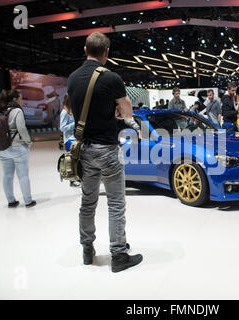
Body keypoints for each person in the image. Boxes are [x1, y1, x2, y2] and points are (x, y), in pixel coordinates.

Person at [67, 31, 142, 272]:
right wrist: (117, 112)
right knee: (115, 203)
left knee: (87, 203)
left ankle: (87, 250)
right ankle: (118, 254)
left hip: (84, 150)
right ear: (106, 53)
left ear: (85, 49)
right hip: (108, 149)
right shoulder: (112, 78)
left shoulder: (72, 78)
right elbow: (128, 113)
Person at [0, 90, 36, 208]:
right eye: (20, 98)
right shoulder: (17, 111)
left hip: (2, 148)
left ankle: (11, 201)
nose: (22, 101)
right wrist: (28, 142)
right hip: (17, 146)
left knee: (7, 175)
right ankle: (28, 201)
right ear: (14, 99)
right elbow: (22, 129)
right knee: (23, 175)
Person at [60, 94, 80, 187]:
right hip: (69, 140)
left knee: (76, 158)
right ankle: (71, 180)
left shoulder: (72, 110)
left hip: (74, 139)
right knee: (71, 159)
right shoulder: (64, 112)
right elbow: (62, 128)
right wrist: (74, 123)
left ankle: (76, 177)